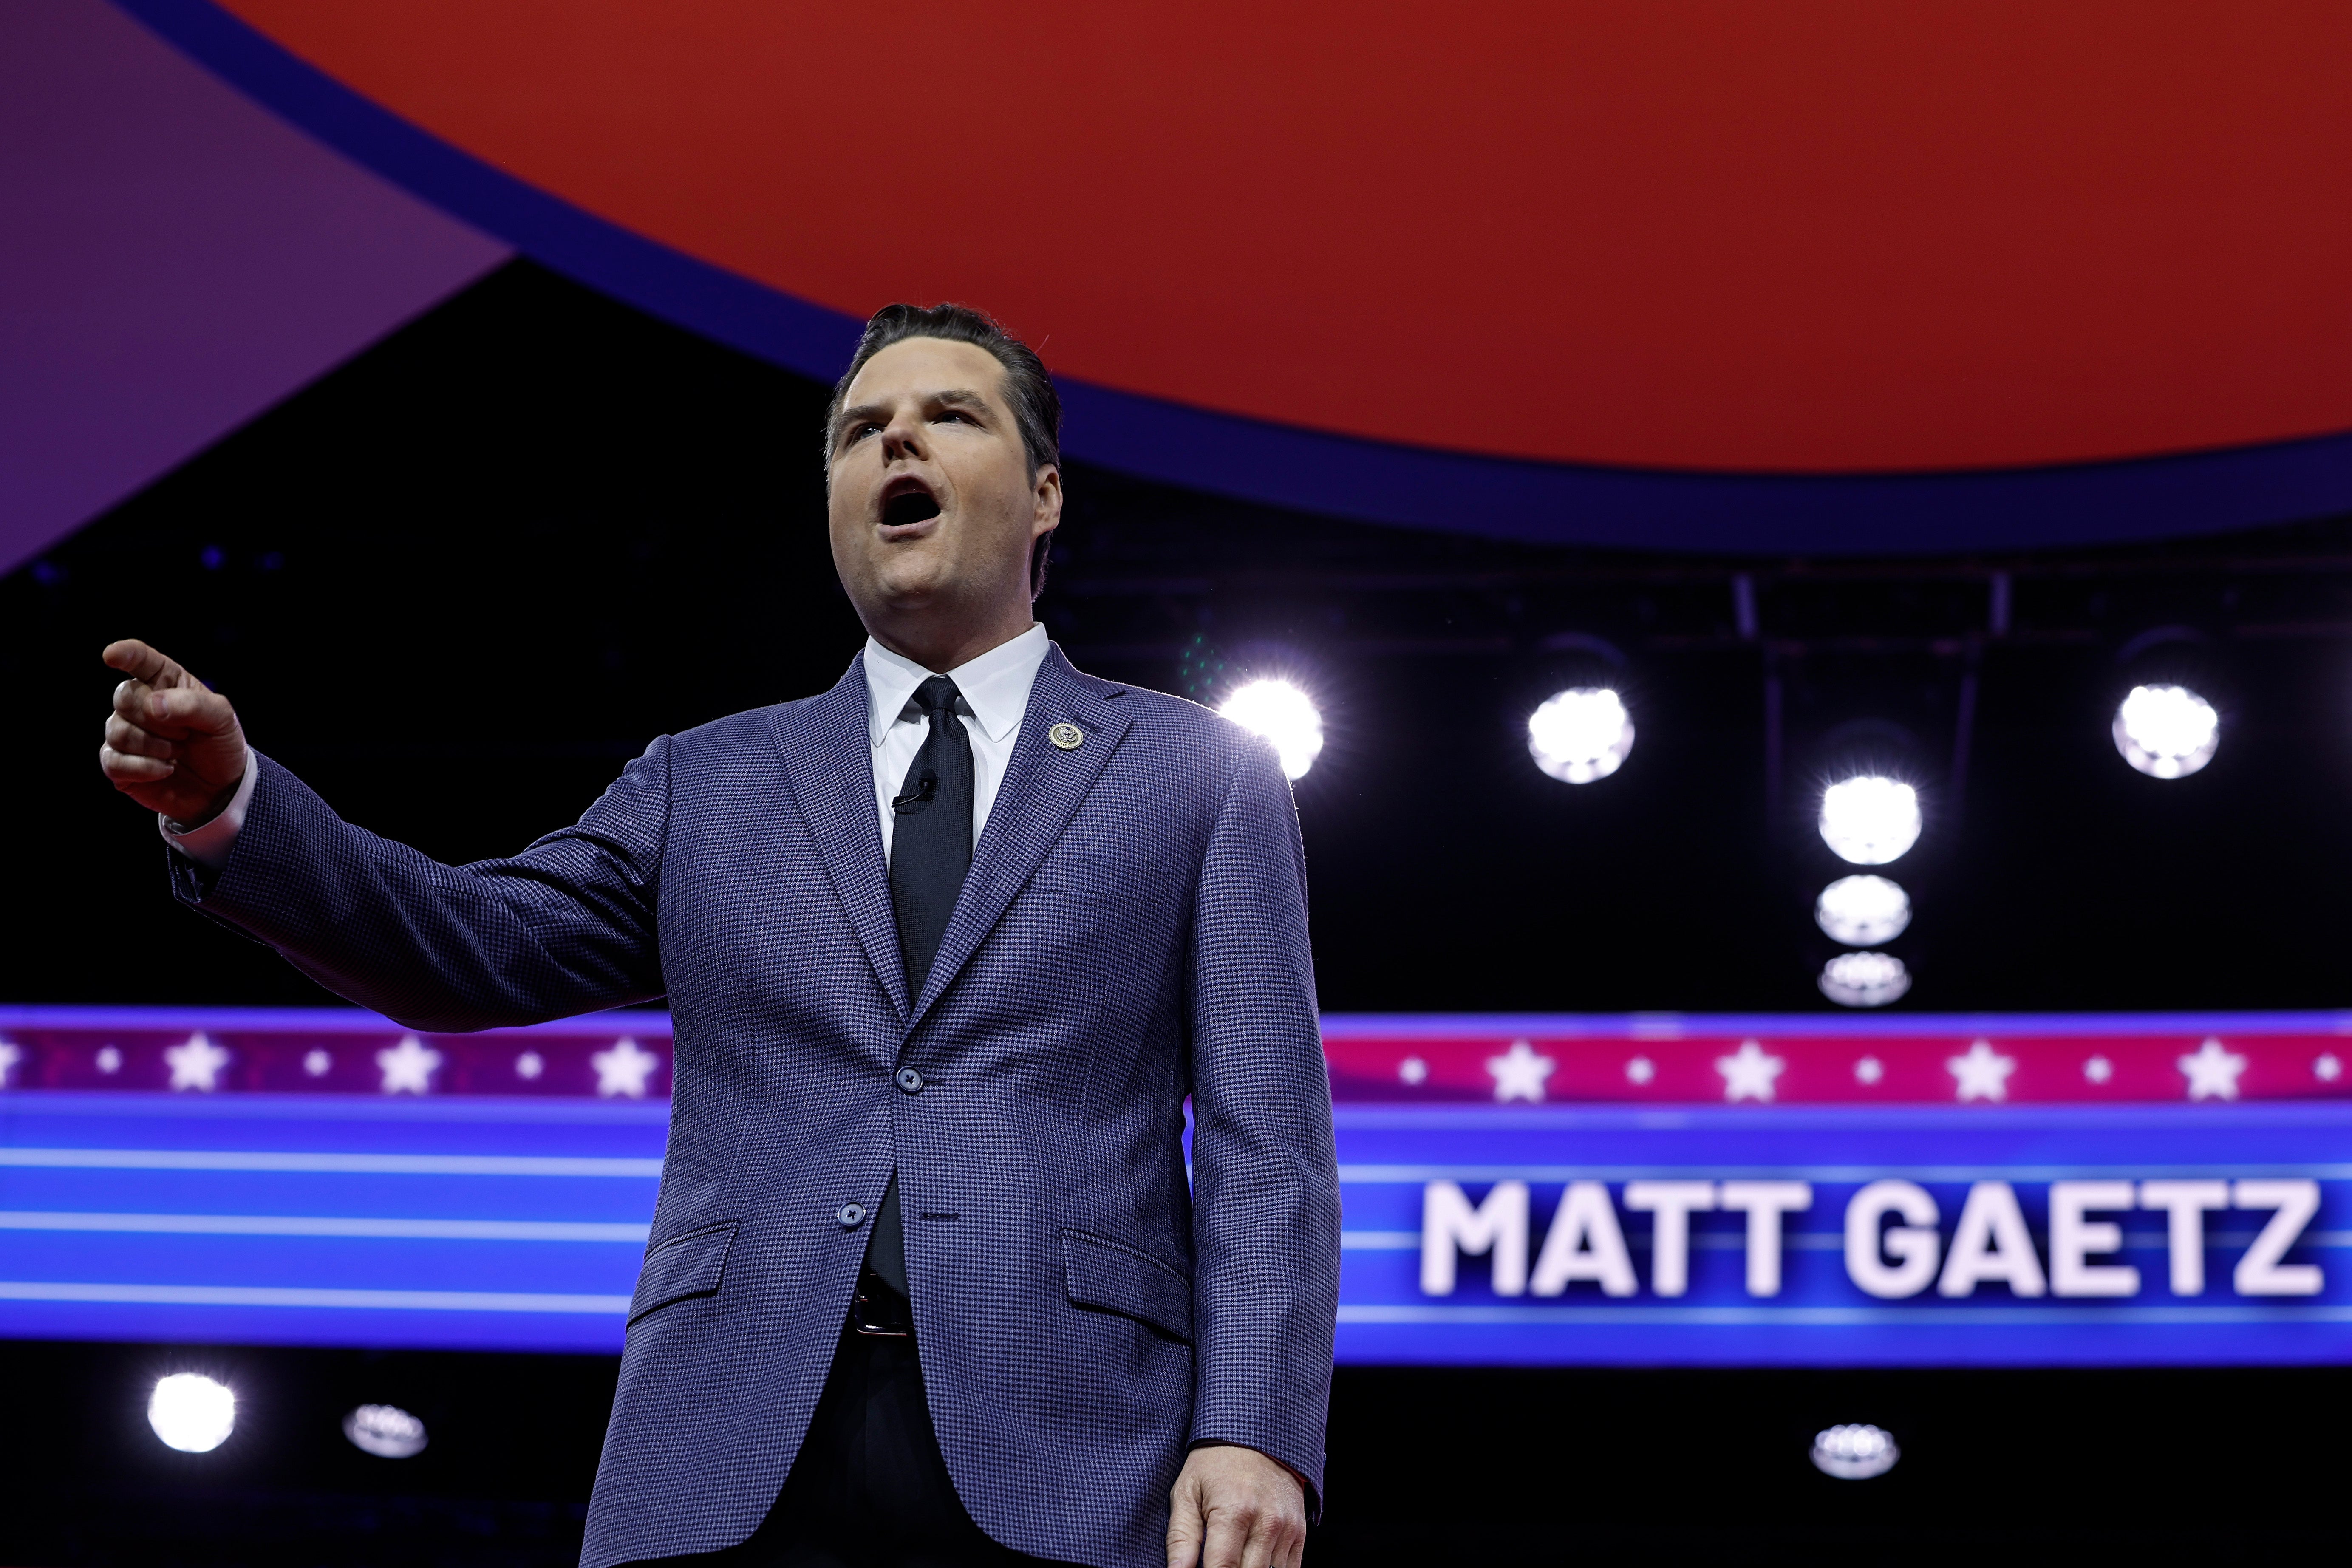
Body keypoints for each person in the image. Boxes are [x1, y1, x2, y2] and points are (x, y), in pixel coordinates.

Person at [97, 304, 1339, 1568]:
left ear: (1045, 494)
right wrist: (230, 807)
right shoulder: (710, 779)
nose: (895, 438)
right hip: (725, 1451)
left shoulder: (1200, 771)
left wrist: (1256, 1429)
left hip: (1079, 1455)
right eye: (860, 432)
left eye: (947, 416)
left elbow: (1266, 1142)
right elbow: (470, 943)